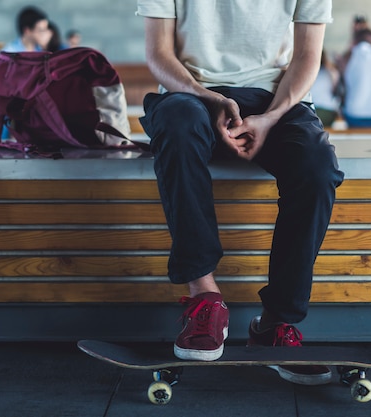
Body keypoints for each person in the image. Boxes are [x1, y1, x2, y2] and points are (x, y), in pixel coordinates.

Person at [136, 0, 344, 386]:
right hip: (189, 94)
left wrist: (270, 117)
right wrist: (209, 97)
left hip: (275, 102)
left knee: (317, 167)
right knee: (178, 125)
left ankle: (277, 322)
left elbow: (307, 57)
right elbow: (159, 53)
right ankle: (204, 297)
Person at [311, 50, 341, 127]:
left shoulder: (303, 72)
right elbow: (336, 92)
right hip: (327, 111)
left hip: (310, 110)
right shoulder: (331, 72)